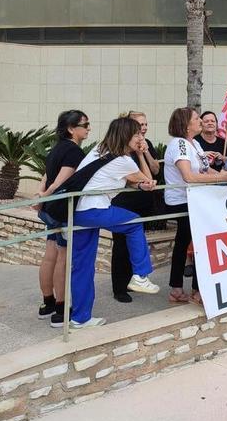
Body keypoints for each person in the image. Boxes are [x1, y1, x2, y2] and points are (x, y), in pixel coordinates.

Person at [69, 117, 161, 329]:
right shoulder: (124, 160)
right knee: (135, 223)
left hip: (77, 211)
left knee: (82, 266)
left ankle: (80, 317)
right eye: (137, 134)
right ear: (127, 135)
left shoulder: (99, 150)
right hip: (95, 209)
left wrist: (139, 184)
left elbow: (128, 182)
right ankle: (140, 275)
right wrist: (140, 153)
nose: (141, 137)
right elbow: (149, 181)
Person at [164, 107, 227, 304]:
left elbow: (206, 169)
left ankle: (178, 288)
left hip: (195, 200)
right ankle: (196, 289)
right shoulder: (179, 144)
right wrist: (220, 177)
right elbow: (188, 176)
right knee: (199, 244)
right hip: (182, 201)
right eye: (197, 118)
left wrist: (225, 175)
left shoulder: (194, 143)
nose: (201, 121)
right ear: (186, 124)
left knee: (184, 243)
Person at [35, 110, 89, 328]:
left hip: (49, 209)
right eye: (85, 124)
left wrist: (41, 196)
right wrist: (47, 194)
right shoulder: (74, 152)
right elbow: (59, 181)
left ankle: (46, 304)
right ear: (71, 128)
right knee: (63, 258)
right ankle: (60, 308)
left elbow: (46, 176)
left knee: (50, 255)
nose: (88, 128)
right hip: (62, 211)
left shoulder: (56, 148)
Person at [108, 111, 161, 303]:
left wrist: (144, 151)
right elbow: (134, 177)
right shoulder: (121, 150)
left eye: (145, 125)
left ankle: (136, 279)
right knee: (121, 245)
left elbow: (155, 170)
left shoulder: (147, 146)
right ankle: (119, 287)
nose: (143, 129)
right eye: (139, 126)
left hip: (142, 200)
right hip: (123, 202)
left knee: (136, 243)